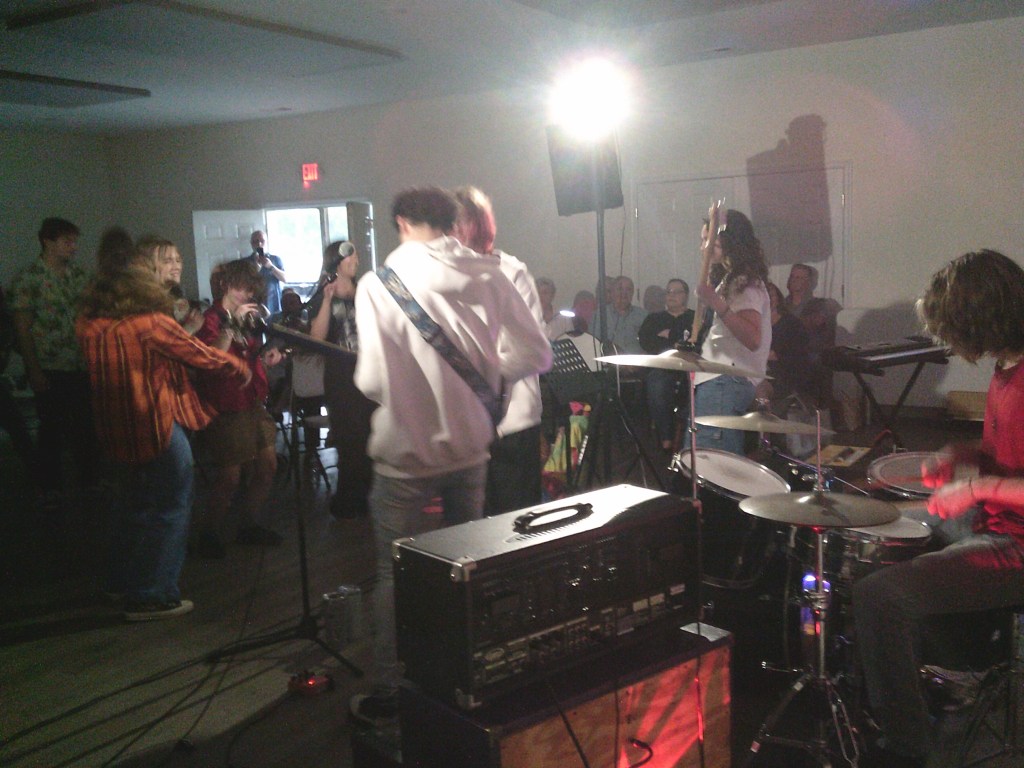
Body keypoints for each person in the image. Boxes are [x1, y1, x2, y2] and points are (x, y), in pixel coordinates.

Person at [349, 186, 551, 724]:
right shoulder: (490, 273)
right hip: (470, 452)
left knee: (393, 574)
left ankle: (390, 690)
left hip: (404, 456)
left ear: (401, 223)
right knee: (468, 566)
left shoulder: (378, 284)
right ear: (450, 222)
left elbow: (370, 380)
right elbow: (536, 353)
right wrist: (484, 375)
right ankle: (470, 674)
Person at [853, 249, 1024, 768]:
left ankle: (908, 747)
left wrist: (976, 489)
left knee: (880, 596)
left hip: (1017, 546)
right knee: (878, 522)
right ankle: (954, 663)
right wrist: (961, 456)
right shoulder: (1007, 365)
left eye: (954, 328)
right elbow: (1009, 454)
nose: (952, 342)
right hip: (995, 519)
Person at [76, 260, 249, 620]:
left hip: (115, 430)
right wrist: (236, 365)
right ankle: (151, 594)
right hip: (155, 425)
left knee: (134, 507)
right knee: (172, 505)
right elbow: (199, 355)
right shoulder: (149, 323)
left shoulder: (90, 327)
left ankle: (120, 583)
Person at [453, 185, 549, 515]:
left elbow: (534, 352)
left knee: (515, 526)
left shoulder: (511, 272)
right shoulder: (443, 276)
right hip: (464, 430)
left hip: (512, 425)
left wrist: (479, 367)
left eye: (455, 225)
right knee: (470, 529)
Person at [191, 259, 286, 558]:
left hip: (252, 399)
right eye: (242, 288)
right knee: (229, 476)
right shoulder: (210, 318)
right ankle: (208, 532)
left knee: (268, 465)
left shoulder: (249, 316)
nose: (246, 295)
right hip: (225, 403)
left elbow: (250, 351)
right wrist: (232, 325)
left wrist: (267, 355)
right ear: (226, 285)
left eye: (250, 290)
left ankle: (248, 524)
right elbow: (210, 359)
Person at [10, 216, 99, 506]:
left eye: (74, 242)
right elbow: (22, 329)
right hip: (49, 365)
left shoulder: (80, 276)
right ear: (47, 241)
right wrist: (34, 369)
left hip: (80, 363)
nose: (73, 247)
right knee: (51, 427)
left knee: (85, 424)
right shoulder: (29, 279)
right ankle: (50, 485)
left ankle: (90, 481)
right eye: (67, 241)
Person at [692, 206, 771, 455]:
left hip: (725, 381)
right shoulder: (732, 280)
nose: (703, 247)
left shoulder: (743, 282)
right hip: (720, 380)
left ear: (728, 242)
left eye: (708, 241)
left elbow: (752, 338)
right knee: (702, 456)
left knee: (713, 459)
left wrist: (715, 302)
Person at [307, 239, 376, 519]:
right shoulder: (324, 295)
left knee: (371, 433)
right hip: (341, 377)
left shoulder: (365, 291)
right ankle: (349, 500)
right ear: (336, 261)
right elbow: (316, 337)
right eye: (351, 256)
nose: (356, 260)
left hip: (369, 371)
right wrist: (326, 299)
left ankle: (369, 496)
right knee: (349, 436)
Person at [638, 278, 696, 452]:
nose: (672, 295)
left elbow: (696, 343)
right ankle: (666, 437)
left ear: (686, 296)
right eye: (669, 292)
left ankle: (686, 434)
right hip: (662, 367)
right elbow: (647, 342)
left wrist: (668, 336)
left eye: (677, 292)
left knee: (695, 388)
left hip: (689, 367)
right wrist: (675, 341)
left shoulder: (694, 318)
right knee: (657, 385)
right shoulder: (654, 319)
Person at [754, 281, 815, 406]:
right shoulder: (756, 324)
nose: (768, 299)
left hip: (784, 375)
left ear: (777, 298)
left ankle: (764, 414)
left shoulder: (791, 324)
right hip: (759, 372)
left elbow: (779, 355)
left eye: (771, 295)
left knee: (759, 387)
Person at [136, 236, 205, 334]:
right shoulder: (144, 305)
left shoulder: (176, 299)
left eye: (178, 260)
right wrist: (190, 328)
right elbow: (160, 342)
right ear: (148, 266)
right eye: (167, 261)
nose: (176, 266)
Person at [243, 230, 287, 314]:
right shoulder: (245, 262)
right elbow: (241, 284)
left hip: (274, 302)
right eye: (255, 241)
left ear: (266, 242)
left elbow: (284, 279)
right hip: (254, 303)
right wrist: (255, 270)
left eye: (262, 241)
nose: (259, 244)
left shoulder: (275, 259)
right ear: (251, 244)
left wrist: (271, 266)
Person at [601, 275, 647, 354]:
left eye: (628, 289)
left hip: (636, 361)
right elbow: (593, 343)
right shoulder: (601, 315)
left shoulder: (643, 316)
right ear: (612, 292)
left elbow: (649, 345)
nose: (624, 293)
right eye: (620, 289)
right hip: (607, 360)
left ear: (632, 293)